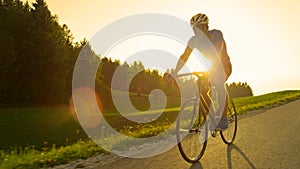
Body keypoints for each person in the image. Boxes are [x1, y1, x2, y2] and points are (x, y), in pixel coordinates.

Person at [171, 13, 232, 130]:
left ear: (205, 27)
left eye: (198, 28)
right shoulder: (194, 41)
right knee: (203, 91)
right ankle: (213, 119)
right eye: (194, 29)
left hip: (224, 66)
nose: (195, 31)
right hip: (211, 68)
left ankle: (223, 119)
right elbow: (184, 56)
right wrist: (175, 72)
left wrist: (210, 71)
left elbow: (217, 53)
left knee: (219, 84)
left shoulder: (217, 34)